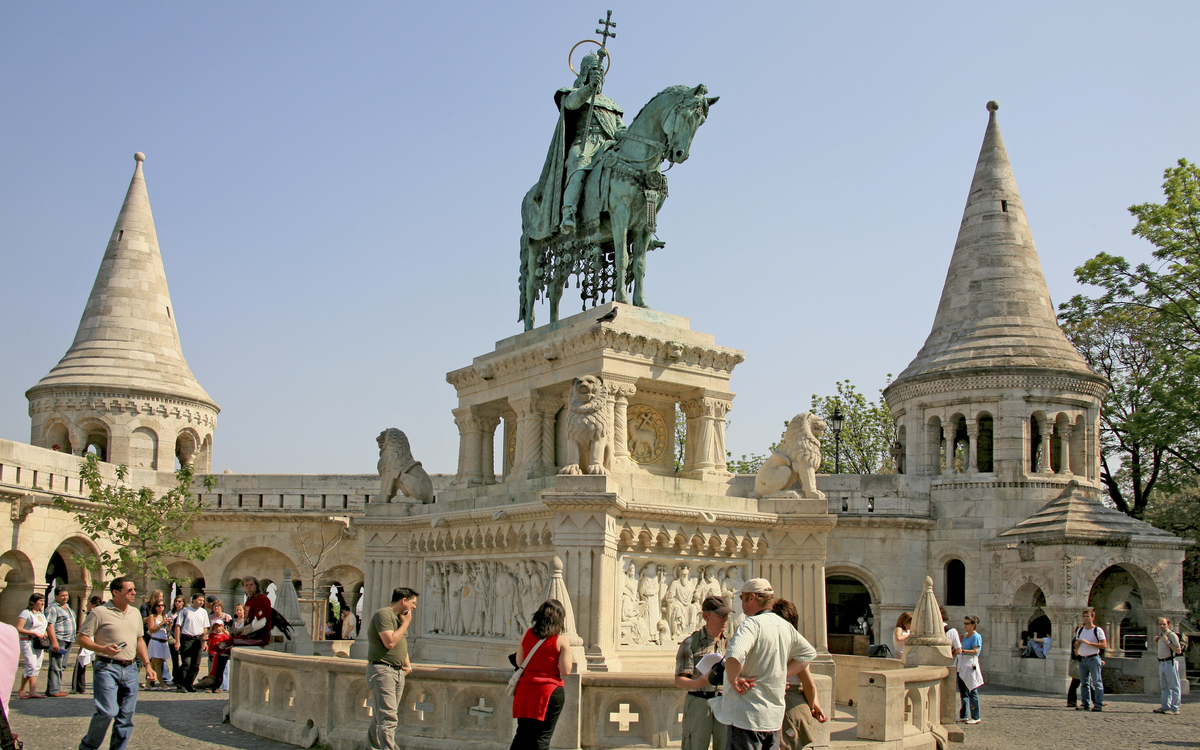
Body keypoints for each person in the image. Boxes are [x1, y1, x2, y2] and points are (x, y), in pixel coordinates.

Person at [525, 52, 626, 240]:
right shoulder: (571, 94)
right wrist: (589, 88)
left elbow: (620, 128)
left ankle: (635, 220)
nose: (599, 75)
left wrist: (627, 136)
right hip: (583, 144)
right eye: (595, 70)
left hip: (609, 146)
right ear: (586, 71)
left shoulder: (611, 104)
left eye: (602, 72)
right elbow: (571, 105)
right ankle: (568, 214)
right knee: (579, 170)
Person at [718, 578, 824, 750]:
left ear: (751, 598)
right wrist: (781, 674)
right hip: (773, 717)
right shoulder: (785, 626)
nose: (741, 604)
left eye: (742, 598)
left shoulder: (750, 625)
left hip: (746, 715)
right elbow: (808, 654)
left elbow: (735, 656)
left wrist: (734, 679)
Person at [76, 577, 155, 750]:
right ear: (116, 592)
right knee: (107, 711)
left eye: (134, 589)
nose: (134, 593)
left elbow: (139, 640)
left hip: (131, 668)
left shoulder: (135, 613)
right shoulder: (99, 612)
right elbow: (81, 638)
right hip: (107, 667)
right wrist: (102, 649)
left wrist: (147, 665)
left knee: (126, 716)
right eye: (130, 590)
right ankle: (88, 747)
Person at [509, 599, 573, 750]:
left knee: (522, 735)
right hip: (549, 691)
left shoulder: (527, 634)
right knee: (542, 737)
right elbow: (566, 670)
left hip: (525, 691)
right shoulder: (561, 640)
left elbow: (519, 663)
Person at [674, 595, 731, 750]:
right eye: (720, 615)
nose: (725, 620)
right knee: (695, 744)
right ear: (706, 616)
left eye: (726, 615)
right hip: (699, 702)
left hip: (725, 701)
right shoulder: (691, 643)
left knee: (726, 745)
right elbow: (679, 680)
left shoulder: (731, 642)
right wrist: (698, 682)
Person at [771, 599, 829, 750]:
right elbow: (810, 685)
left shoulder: (776, 643)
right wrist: (813, 706)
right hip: (792, 704)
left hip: (784, 704)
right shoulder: (795, 644)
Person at [365, 587, 419, 750]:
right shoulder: (384, 615)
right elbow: (390, 642)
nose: (414, 607)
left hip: (396, 671)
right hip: (383, 670)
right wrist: (407, 623)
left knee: (381, 716)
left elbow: (402, 644)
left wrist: (407, 665)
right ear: (404, 601)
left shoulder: (398, 618)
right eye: (413, 603)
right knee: (389, 718)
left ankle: (371, 747)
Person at [16, 592, 54, 699]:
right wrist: (33, 633)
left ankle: (33, 691)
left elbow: (44, 627)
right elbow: (19, 628)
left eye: (43, 601)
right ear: (33, 602)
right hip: (27, 641)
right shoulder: (26, 613)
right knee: (31, 665)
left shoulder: (41, 614)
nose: (42, 603)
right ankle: (22, 689)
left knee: (37, 666)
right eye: (40, 601)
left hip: (39, 643)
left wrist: (44, 634)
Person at [173, 593, 210, 692]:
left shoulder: (203, 612)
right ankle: (181, 684)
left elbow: (205, 627)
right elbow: (177, 626)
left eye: (202, 600)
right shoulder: (185, 611)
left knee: (196, 664)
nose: (201, 602)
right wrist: (177, 641)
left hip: (198, 639)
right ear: (193, 600)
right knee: (186, 663)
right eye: (199, 600)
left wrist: (204, 641)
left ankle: (189, 683)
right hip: (186, 638)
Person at [45, 586, 76, 697]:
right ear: (56, 596)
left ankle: (56, 688)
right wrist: (54, 642)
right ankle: (53, 690)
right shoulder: (53, 608)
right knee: (56, 665)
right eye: (62, 595)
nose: (65, 597)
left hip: (69, 639)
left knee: (62, 665)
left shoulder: (67, 607)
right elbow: (50, 625)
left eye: (66, 595)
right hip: (60, 639)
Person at [1075, 607, 1107, 712]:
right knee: (1084, 683)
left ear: (1092, 617)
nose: (1085, 618)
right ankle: (1085, 703)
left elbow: (1104, 645)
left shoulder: (1097, 630)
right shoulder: (1080, 630)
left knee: (1096, 682)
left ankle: (1098, 703)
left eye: (1087, 616)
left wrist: (1089, 643)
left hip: (1093, 658)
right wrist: (1077, 646)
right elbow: (1076, 646)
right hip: (1082, 658)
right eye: (1084, 616)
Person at [231, 576, 273, 647]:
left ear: (256, 586)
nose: (249, 587)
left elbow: (260, 623)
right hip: (250, 637)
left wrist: (241, 631)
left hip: (259, 638)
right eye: (246, 585)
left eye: (251, 585)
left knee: (226, 644)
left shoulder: (261, 599)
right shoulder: (249, 600)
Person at [1153, 616, 1183, 714]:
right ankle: (1165, 706)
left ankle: (1175, 708)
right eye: (1160, 624)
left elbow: (1178, 650)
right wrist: (1157, 642)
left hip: (1170, 662)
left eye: (1164, 624)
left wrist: (1168, 642)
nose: (1162, 626)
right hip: (1162, 662)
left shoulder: (1171, 635)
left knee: (1174, 686)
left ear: (1168, 625)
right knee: (1164, 686)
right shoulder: (1161, 635)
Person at [957, 615, 983, 724]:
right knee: (963, 691)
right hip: (962, 664)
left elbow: (976, 651)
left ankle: (976, 716)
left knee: (972, 690)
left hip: (970, 663)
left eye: (968, 624)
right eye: (965, 623)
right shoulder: (966, 636)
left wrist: (963, 651)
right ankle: (964, 714)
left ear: (973, 625)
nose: (965, 625)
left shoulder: (976, 636)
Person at [73, 595, 101, 693]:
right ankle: (98, 686)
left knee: (81, 664)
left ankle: (79, 687)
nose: (86, 605)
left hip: (90, 640)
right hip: (97, 641)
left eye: (88, 603)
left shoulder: (93, 614)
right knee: (96, 665)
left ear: (93, 605)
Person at [144, 600, 171, 691]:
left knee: (153, 665)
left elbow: (167, 630)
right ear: (155, 607)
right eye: (159, 605)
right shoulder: (152, 616)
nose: (161, 607)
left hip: (163, 640)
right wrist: (161, 624)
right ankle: (162, 684)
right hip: (156, 641)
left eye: (162, 605)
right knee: (158, 664)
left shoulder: (165, 616)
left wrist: (169, 624)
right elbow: (151, 630)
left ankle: (148, 684)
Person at [166, 594, 185, 684]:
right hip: (173, 637)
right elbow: (168, 628)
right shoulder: (171, 613)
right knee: (174, 658)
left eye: (179, 601)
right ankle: (175, 677)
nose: (177, 603)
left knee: (184, 658)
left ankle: (182, 676)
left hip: (183, 637)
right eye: (176, 601)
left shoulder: (185, 612)